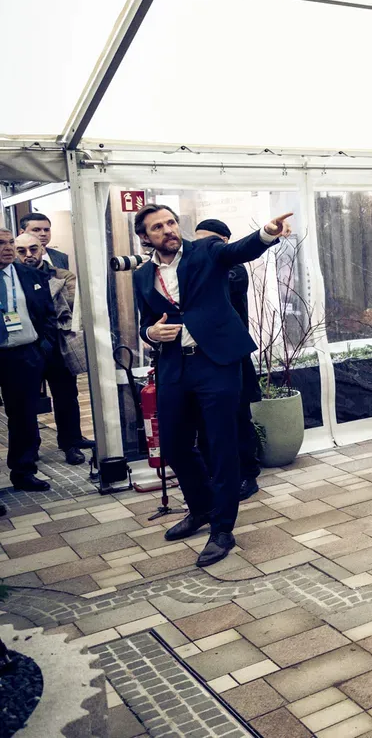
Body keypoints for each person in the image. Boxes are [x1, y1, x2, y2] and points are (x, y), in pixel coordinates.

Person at [133, 204, 291, 568]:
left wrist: (267, 233)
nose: (168, 230)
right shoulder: (142, 276)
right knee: (174, 444)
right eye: (158, 227)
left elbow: (240, 250)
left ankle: (222, 530)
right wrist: (151, 332)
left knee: (220, 447)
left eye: (171, 222)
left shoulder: (206, 251)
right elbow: (146, 323)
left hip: (216, 363)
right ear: (145, 237)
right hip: (174, 366)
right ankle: (201, 508)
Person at [194, 219, 263, 500]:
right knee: (205, 422)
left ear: (224, 242)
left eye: (208, 240)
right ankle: (214, 475)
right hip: (203, 359)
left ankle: (248, 475)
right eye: (197, 240)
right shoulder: (195, 269)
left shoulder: (234, 270)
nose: (201, 246)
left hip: (232, 356)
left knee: (238, 417)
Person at [14, 232, 93, 464]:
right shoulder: (11, 279)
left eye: (33, 249)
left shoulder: (61, 275)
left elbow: (71, 305)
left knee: (67, 396)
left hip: (57, 344)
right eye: (21, 251)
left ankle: (71, 442)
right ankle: (30, 448)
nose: (28, 255)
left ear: (42, 249)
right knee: (26, 400)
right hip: (27, 346)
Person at [0, 229, 59, 495]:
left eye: (10, 242)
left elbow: (48, 314)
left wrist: (43, 348)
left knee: (23, 415)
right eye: (0, 243)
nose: (7, 248)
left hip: (24, 355)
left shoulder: (30, 275)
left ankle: (24, 472)